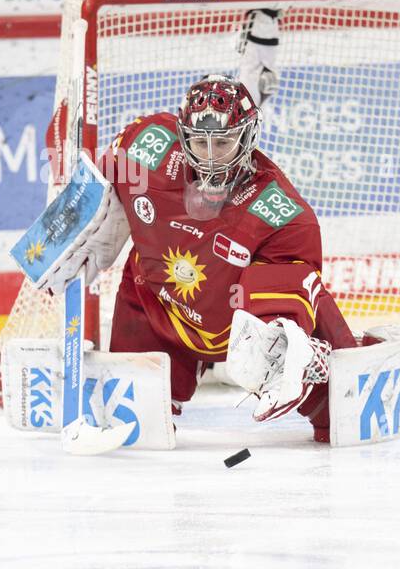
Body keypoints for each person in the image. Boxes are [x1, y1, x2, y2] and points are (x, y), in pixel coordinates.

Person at [40, 74, 356, 443]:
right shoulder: (147, 145)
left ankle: (319, 361)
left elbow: (303, 286)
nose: (209, 155)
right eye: (198, 141)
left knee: (340, 420)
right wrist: (67, 223)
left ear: (248, 137)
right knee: (136, 437)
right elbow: (98, 180)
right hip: (157, 307)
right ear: (181, 132)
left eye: (222, 142)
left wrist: (297, 342)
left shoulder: (281, 213)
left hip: (233, 328)